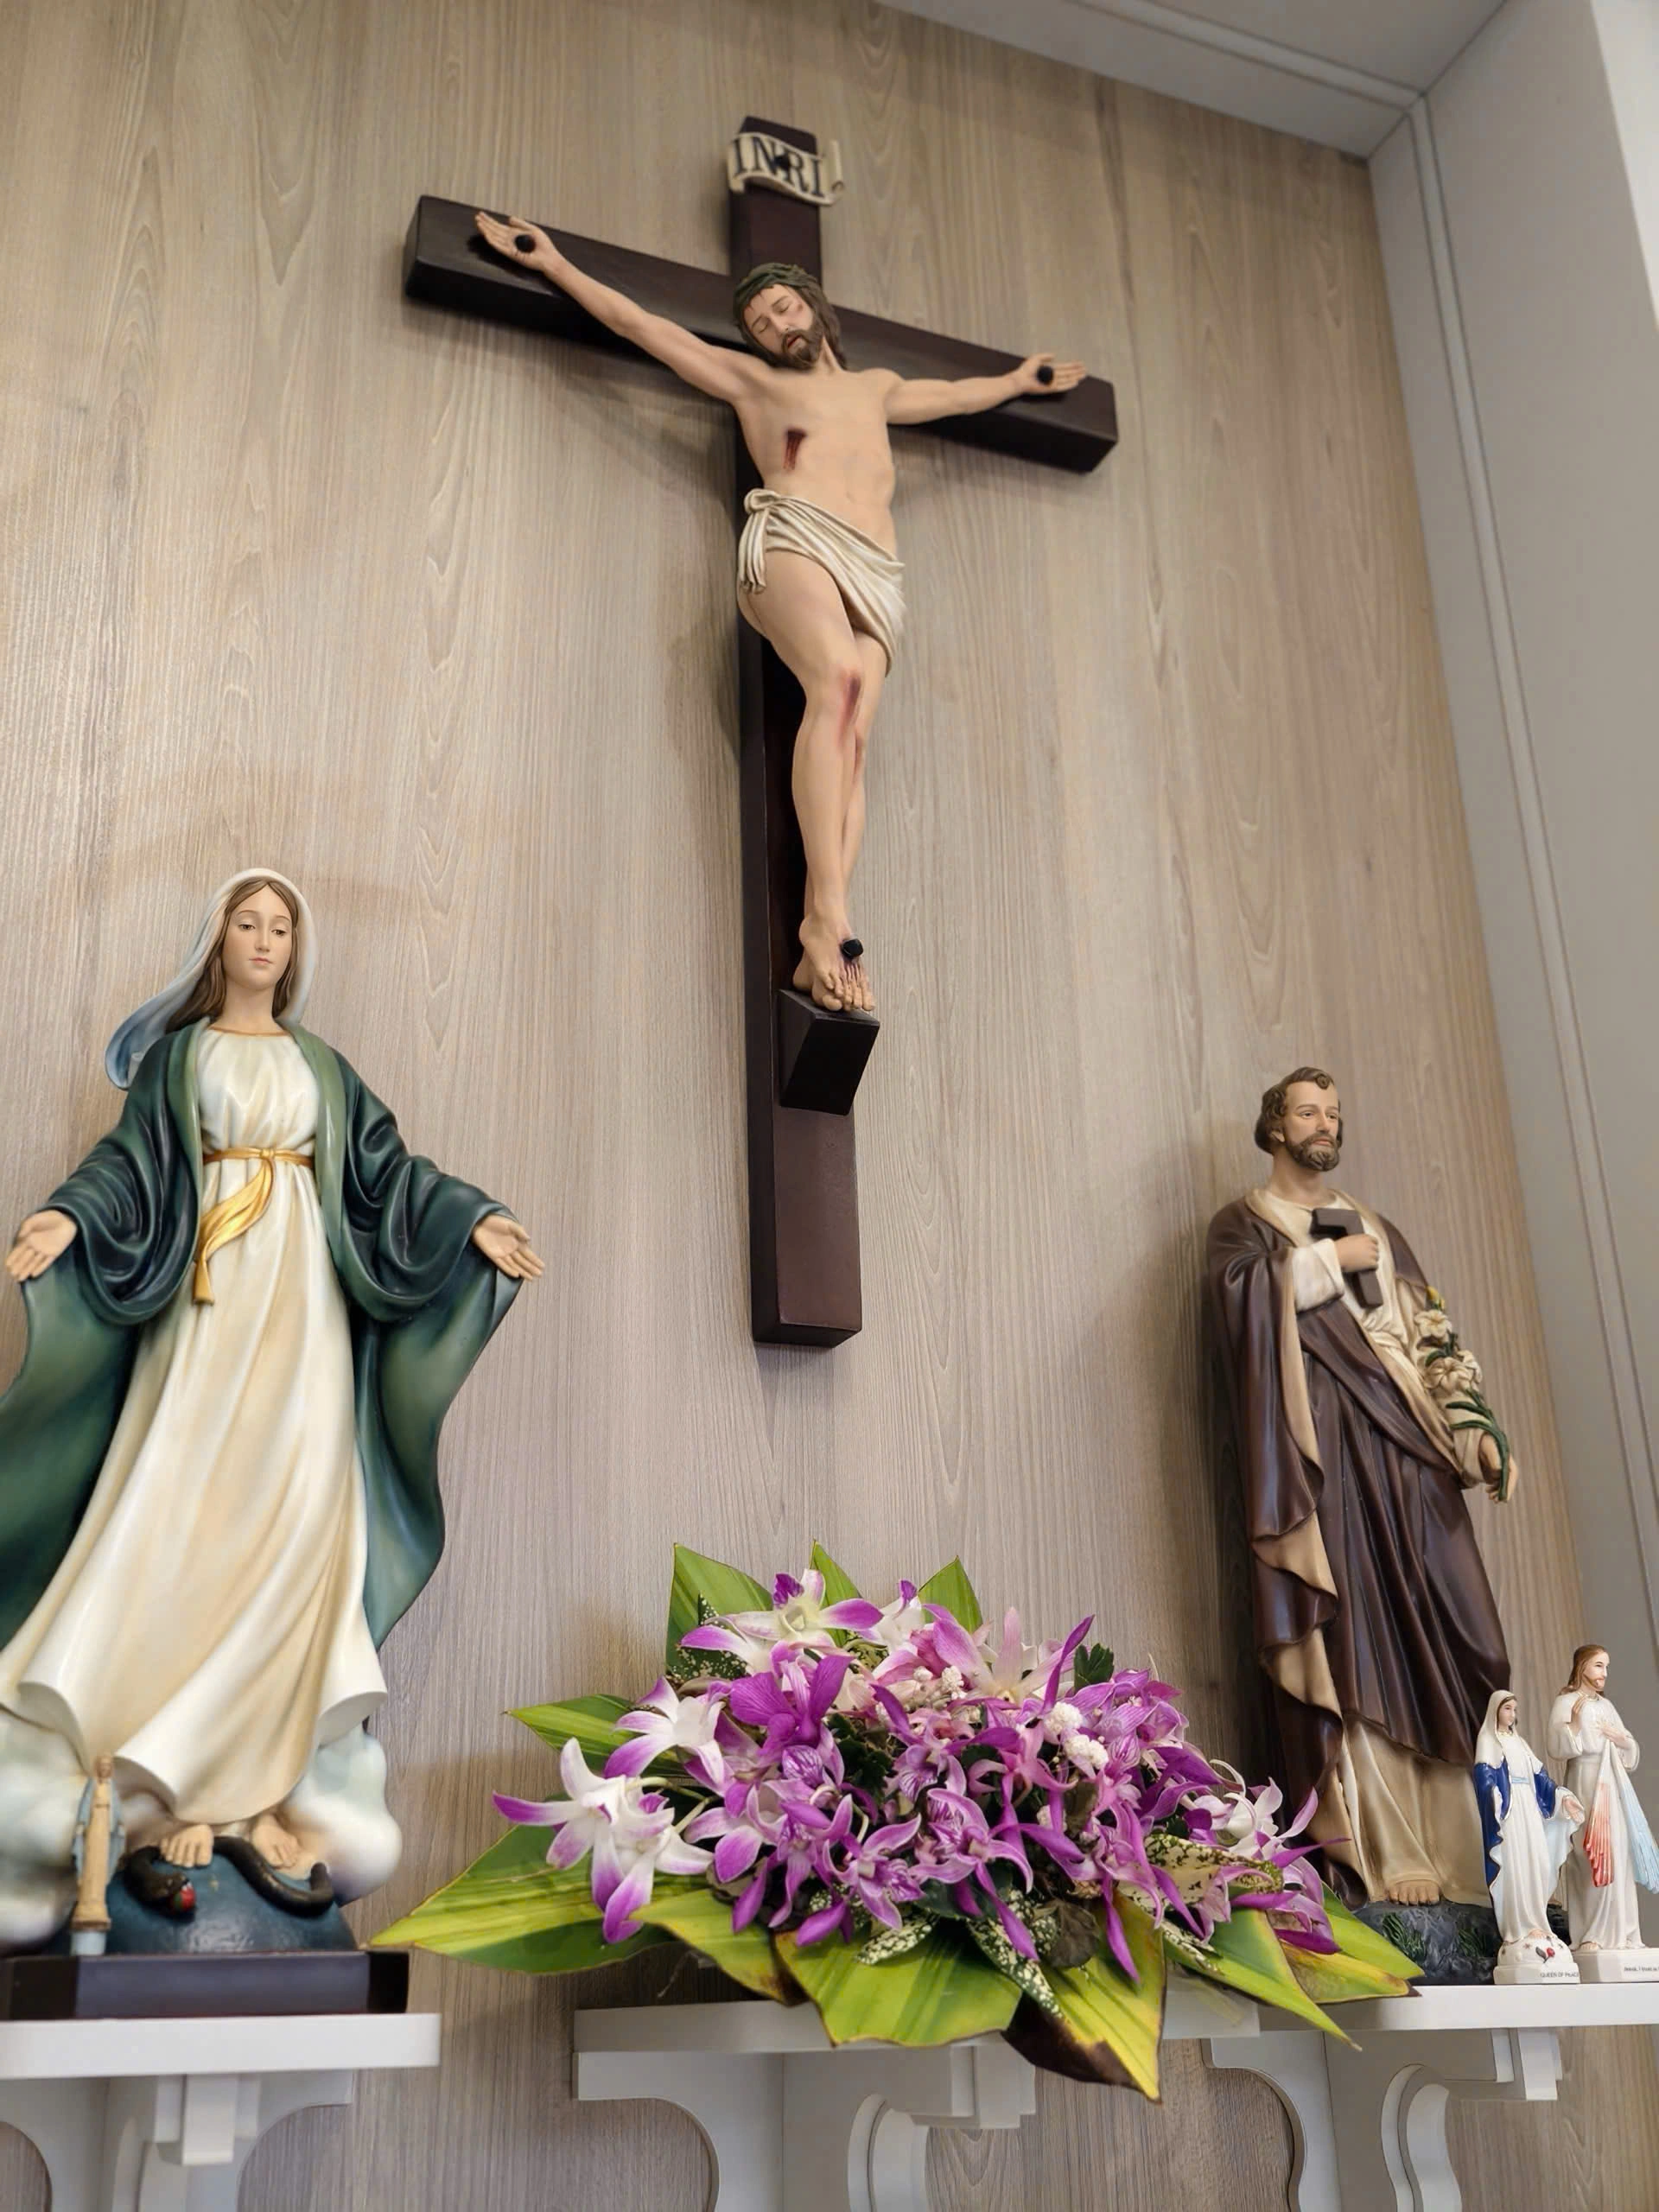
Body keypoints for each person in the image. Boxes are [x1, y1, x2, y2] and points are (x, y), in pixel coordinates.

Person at [0, 872, 541, 1948]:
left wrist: (471, 1218)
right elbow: (129, 1167)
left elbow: (388, 1177)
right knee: (184, 1516)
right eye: (247, 923)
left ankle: (253, 1795)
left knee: (298, 1527)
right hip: (204, 1316)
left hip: (304, 1317)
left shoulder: (320, 1068)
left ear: (296, 948)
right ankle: (164, 1782)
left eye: (279, 926)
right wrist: (67, 1219)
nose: (263, 939)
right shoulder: (182, 1060)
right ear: (219, 940)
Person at [474, 213, 1084, 1016]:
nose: (776, 326)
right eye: (760, 323)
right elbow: (641, 325)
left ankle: (820, 941)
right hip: (795, 538)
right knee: (837, 682)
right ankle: (827, 919)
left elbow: (950, 397)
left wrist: (1015, 381)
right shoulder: (753, 384)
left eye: (785, 309)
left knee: (853, 741)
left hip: (878, 572)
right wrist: (553, 264)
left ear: (814, 307)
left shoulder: (875, 388)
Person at [1206, 1067, 1516, 1907]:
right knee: (1359, 1642)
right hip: (1328, 1463)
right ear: (1275, 1127)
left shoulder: (1378, 1226)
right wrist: (1320, 1265)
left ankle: (1470, 1847)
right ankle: (1387, 1844)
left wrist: (1472, 1431)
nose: (1324, 1124)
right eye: (1308, 1112)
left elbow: (1431, 1336)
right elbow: (1237, 1306)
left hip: (1410, 1454)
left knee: (1461, 1633)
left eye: (1333, 1113)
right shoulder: (1245, 1224)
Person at [1547, 1644, 1659, 1976]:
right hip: (1585, 1781)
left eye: (1606, 1667)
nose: (1604, 1673)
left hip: (1612, 1782)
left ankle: (1624, 1933)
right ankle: (1591, 1934)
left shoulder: (1606, 1706)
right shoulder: (1567, 1702)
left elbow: (1630, 1748)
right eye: (1598, 1666)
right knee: (1590, 1854)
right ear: (1582, 1666)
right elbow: (1556, 1746)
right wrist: (1574, 1725)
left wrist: (1621, 1740)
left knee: (1618, 1855)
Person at [1472, 1690, 1581, 1982]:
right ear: (1496, 1710)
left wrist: (1562, 1798)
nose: (1512, 1714)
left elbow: (1541, 1779)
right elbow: (1484, 1777)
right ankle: (1519, 1927)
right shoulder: (1489, 1741)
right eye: (1507, 1709)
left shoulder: (1519, 1742)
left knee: (1537, 1862)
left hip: (1529, 1810)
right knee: (1516, 1865)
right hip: (1509, 1813)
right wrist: (1494, 1797)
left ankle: (1538, 1921)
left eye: (1514, 1709)